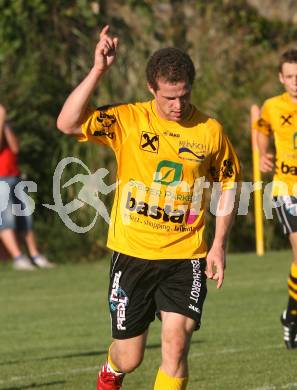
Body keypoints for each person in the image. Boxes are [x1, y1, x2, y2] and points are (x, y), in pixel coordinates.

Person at [57, 25, 240, 390]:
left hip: (185, 255)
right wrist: (98, 71)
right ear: (151, 89)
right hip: (132, 254)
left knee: (176, 343)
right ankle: (111, 371)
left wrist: (218, 243)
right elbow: (67, 123)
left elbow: (229, 184)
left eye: (184, 96)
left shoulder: (210, 131)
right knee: (130, 357)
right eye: (169, 98)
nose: (178, 105)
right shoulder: (128, 119)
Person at [255, 49, 297, 349]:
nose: (296, 81)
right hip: (287, 188)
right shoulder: (272, 106)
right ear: (281, 78)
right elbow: (261, 131)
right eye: (291, 76)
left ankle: (292, 316)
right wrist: (262, 154)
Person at [0, 103, 54, 270]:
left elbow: (15, 148)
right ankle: (18, 258)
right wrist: (1, 119)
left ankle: (35, 256)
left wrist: (5, 125)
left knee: (25, 219)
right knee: (7, 220)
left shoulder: (5, 125)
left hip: (14, 176)